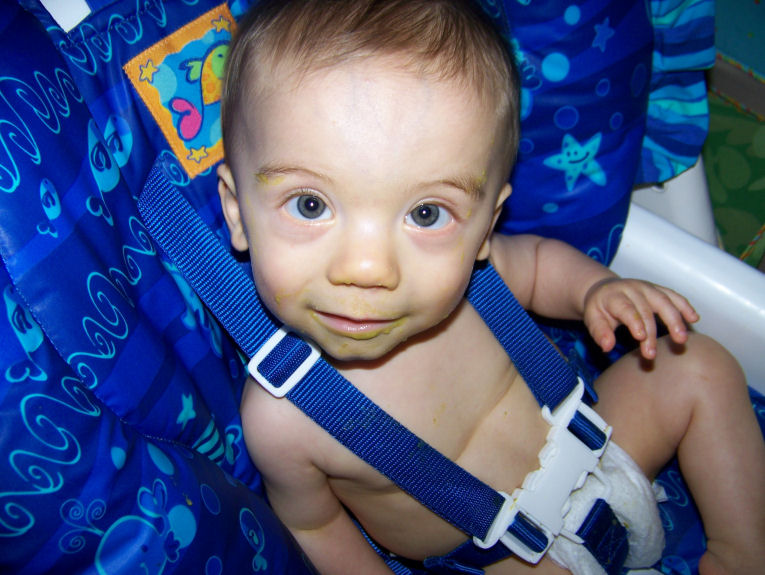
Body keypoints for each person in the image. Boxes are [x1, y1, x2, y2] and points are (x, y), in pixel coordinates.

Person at [216, 1, 765, 573]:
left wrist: (595, 291)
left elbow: (540, 265)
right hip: (508, 557)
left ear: (485, 226)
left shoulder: (482, 279)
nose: (368, 268)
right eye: (310, 205)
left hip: (604, 449)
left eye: (426, 214)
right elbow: (316, 526)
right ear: (237, 212)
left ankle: (743, 554)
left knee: (697, 366)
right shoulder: (284, 420)